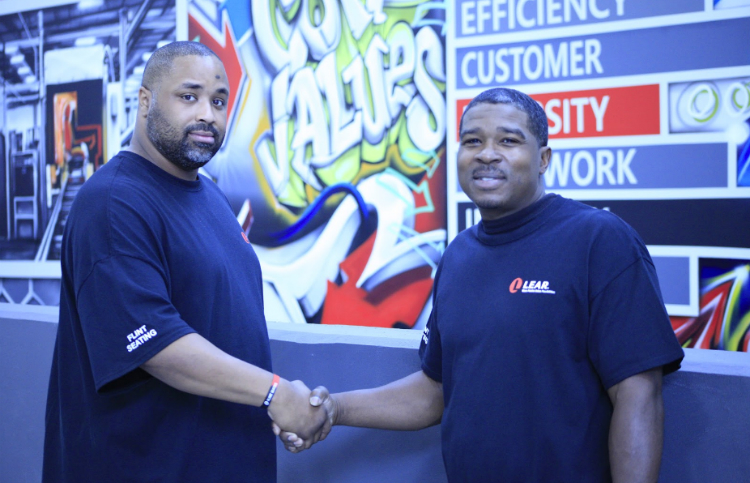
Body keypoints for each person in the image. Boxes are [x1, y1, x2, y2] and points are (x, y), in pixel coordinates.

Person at [279, 87, 685, 483]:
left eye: (509, 141)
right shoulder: (458, 255)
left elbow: (639, 397)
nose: (487, 154)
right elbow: (435, 390)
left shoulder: (599, 239)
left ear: (543, 158)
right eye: (472, 141)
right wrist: (335, 408)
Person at [43, 41, 327, 483]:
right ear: (145, 101)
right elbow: (155, 345)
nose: (208, 115)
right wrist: (276, 394)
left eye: (218, 101)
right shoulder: (114, 202)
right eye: (189, 96)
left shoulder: (210, 198)